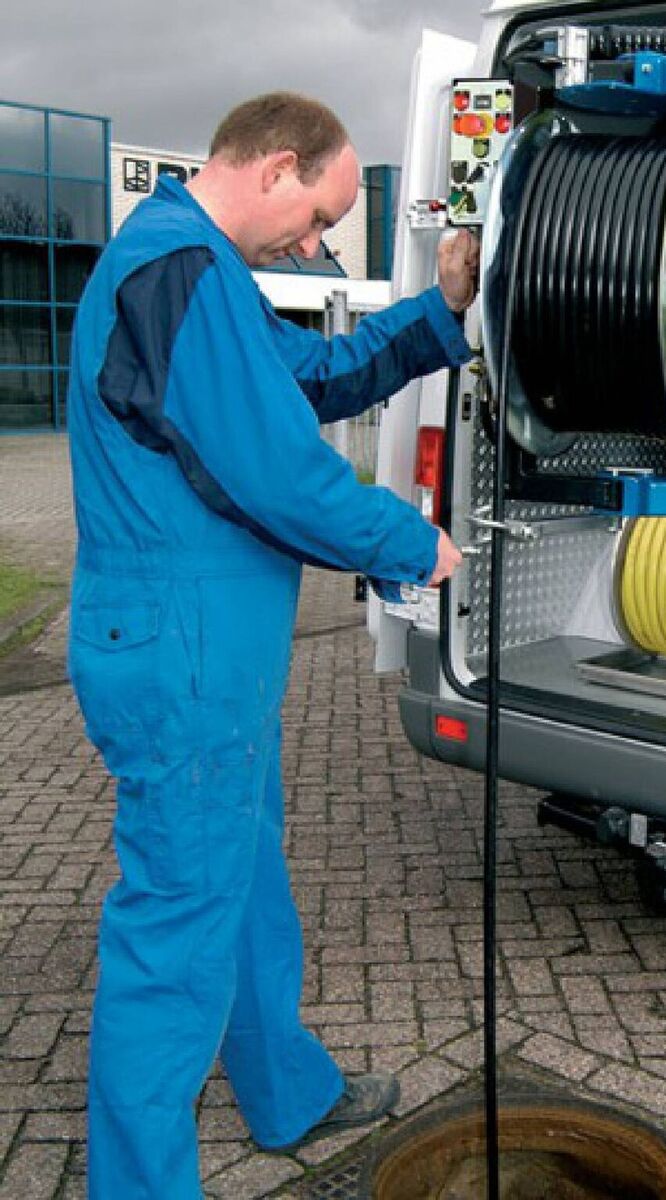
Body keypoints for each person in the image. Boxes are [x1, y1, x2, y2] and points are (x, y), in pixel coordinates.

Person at [66, 92, 477, 1200]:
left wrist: (439, 312)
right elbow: (278, 473)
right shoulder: (179, 273)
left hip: (204, 656)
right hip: (182, 654)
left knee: (242, 879)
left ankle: (286, 1090)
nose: (316, 243)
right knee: (174, 941)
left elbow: (313, 379)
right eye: (318, 219)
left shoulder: (197, 271)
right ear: (279, 166)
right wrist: (413, 543)